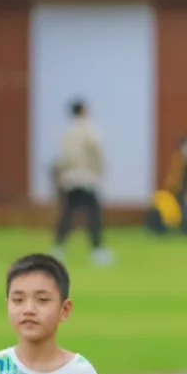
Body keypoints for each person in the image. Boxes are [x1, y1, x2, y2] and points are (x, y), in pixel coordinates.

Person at [52, 99, 113, 265]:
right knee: (94, 215)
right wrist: (100, 170)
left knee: (68, 214)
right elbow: (97, 151)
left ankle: (58, 248)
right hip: (87, 178)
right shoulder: (89, 130)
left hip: (70, 180)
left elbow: (63, 157)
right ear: (84, 110)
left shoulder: (68, 131)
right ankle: (97, 250)